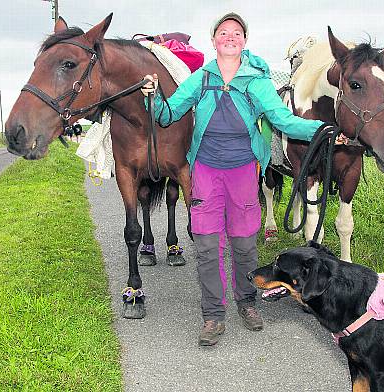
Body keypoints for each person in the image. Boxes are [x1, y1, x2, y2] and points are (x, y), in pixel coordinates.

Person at [141, 12, 331, 346]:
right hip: (205, 172)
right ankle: (213, 315)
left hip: (244, 172)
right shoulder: (200, 78)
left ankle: (247, 302)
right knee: (206, 247)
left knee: (244, 246)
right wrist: (153, 96)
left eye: (237, 33)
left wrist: (323, 129)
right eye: (224, 32)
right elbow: (168, 114)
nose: (230, 36)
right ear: (214, 40)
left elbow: (283, 120)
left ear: (244, 41)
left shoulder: (257, 82)